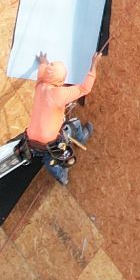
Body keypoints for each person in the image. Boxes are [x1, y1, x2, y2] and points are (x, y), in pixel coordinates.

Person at [24, 51, 97, 183]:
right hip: (50, 141)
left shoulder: (40, 86)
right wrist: (94, 65)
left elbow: (42, 74)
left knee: (48, 154)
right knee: (74, 123)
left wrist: (44, 63)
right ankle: (82, 137)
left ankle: (61, 177)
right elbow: (84, 89)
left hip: (30, 140)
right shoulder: (59, 93)